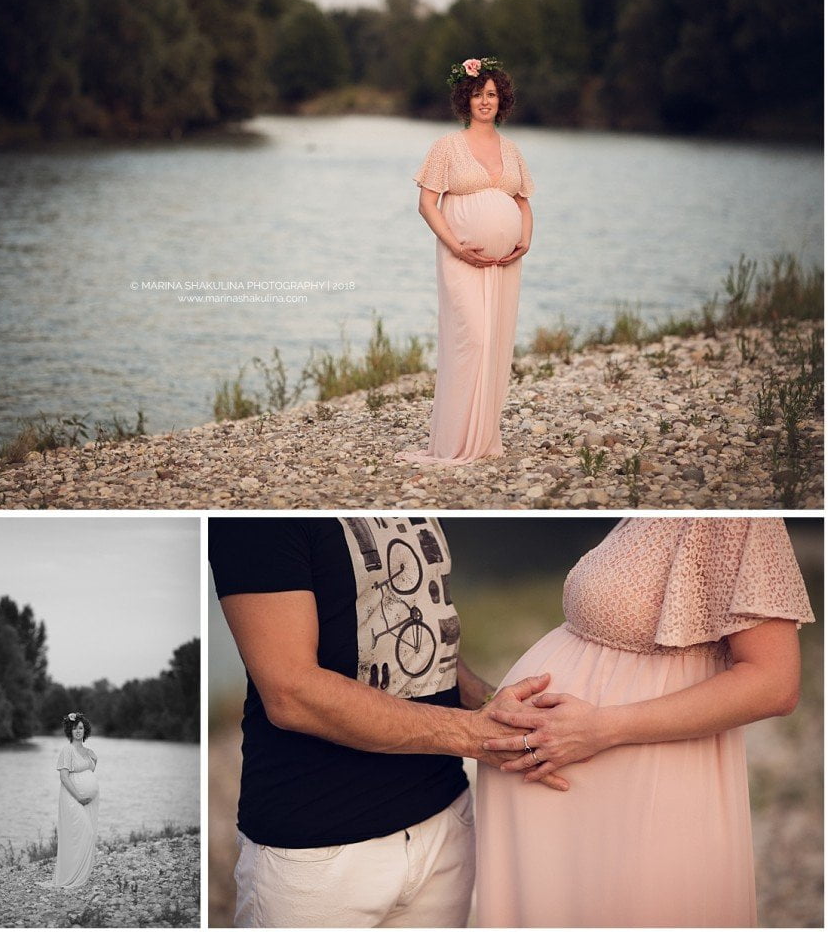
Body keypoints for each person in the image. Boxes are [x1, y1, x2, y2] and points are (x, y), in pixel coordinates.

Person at [209, 516, 561, 928]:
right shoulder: (254, 523)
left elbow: (419, 619)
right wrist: (473, 734)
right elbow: (291, 693)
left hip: (444, 820)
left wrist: (490, 705)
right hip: (319, 852)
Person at [476, 517, 815, 927]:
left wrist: (600, 728)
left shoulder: (735, 520)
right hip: (574, 818)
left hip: (639, 793)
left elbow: (774, 683)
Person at [397, 57, 534, 465]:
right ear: (465, 99)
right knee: (471, 337)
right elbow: (426, 204)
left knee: (494, 342)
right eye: (477, 95)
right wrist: (456, 245)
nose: (485, 101)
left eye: (492, 94)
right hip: (461, 258)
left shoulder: (512, 150)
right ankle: (455, 441)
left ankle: (484, 437)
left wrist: (524, 241)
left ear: (502, 100)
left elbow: (523, 204)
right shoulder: (447, 148)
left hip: (506, 263)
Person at [53, 711, 99, 889]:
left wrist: (95, 759)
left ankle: (81, 874)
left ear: (85, 730)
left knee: (87, 834)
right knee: (82, 832)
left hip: (89, 800)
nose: (78, 731)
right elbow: (64, 778)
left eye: (80, 728)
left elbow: (89, 772)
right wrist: (79, 797)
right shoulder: (67, 750)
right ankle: (71, 876)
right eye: (74, 728)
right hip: (72, 797)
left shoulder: (88, 751)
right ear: (69, 731)